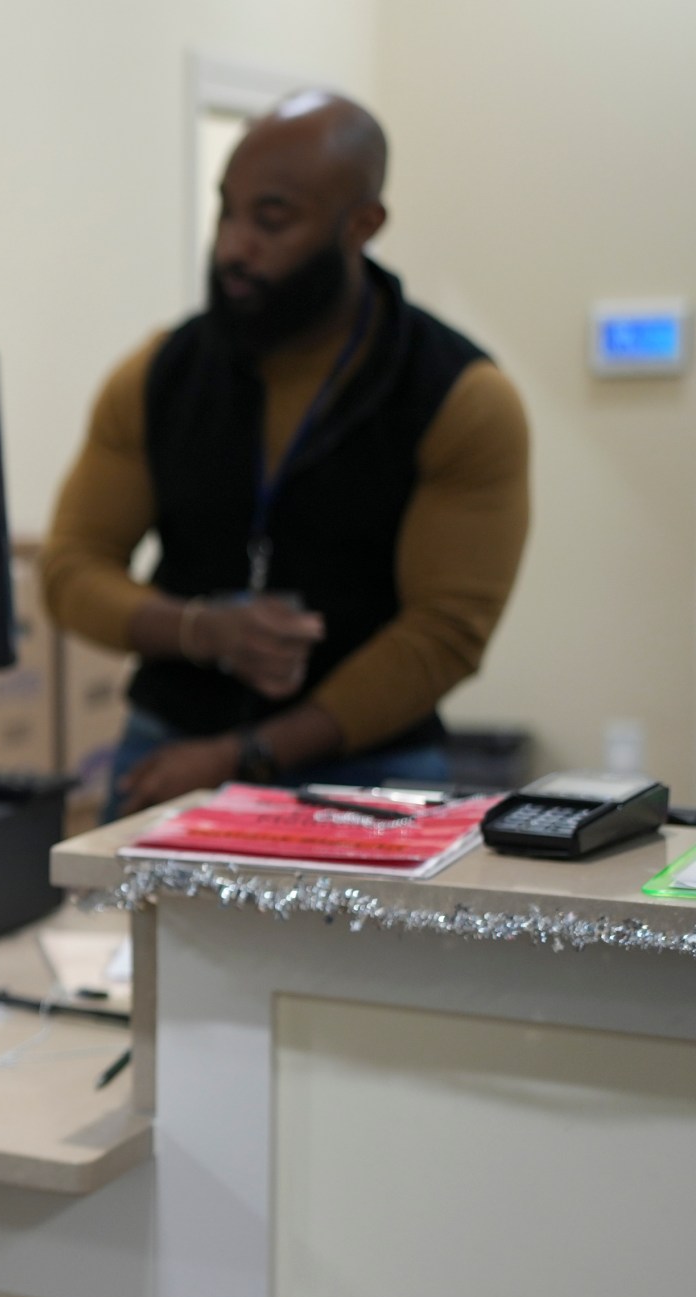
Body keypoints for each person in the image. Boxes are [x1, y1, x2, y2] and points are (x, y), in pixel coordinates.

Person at [40, 92, 529, 818]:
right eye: (226, 212)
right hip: (170, 744)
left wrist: (244, 758)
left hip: (373, 764)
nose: (234, 246)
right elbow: (71, 569)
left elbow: (444, 634)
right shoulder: (157, 375)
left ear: (363, 225)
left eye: (271, 221)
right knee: (130, 937)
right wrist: (198, 629)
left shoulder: (460, 397)